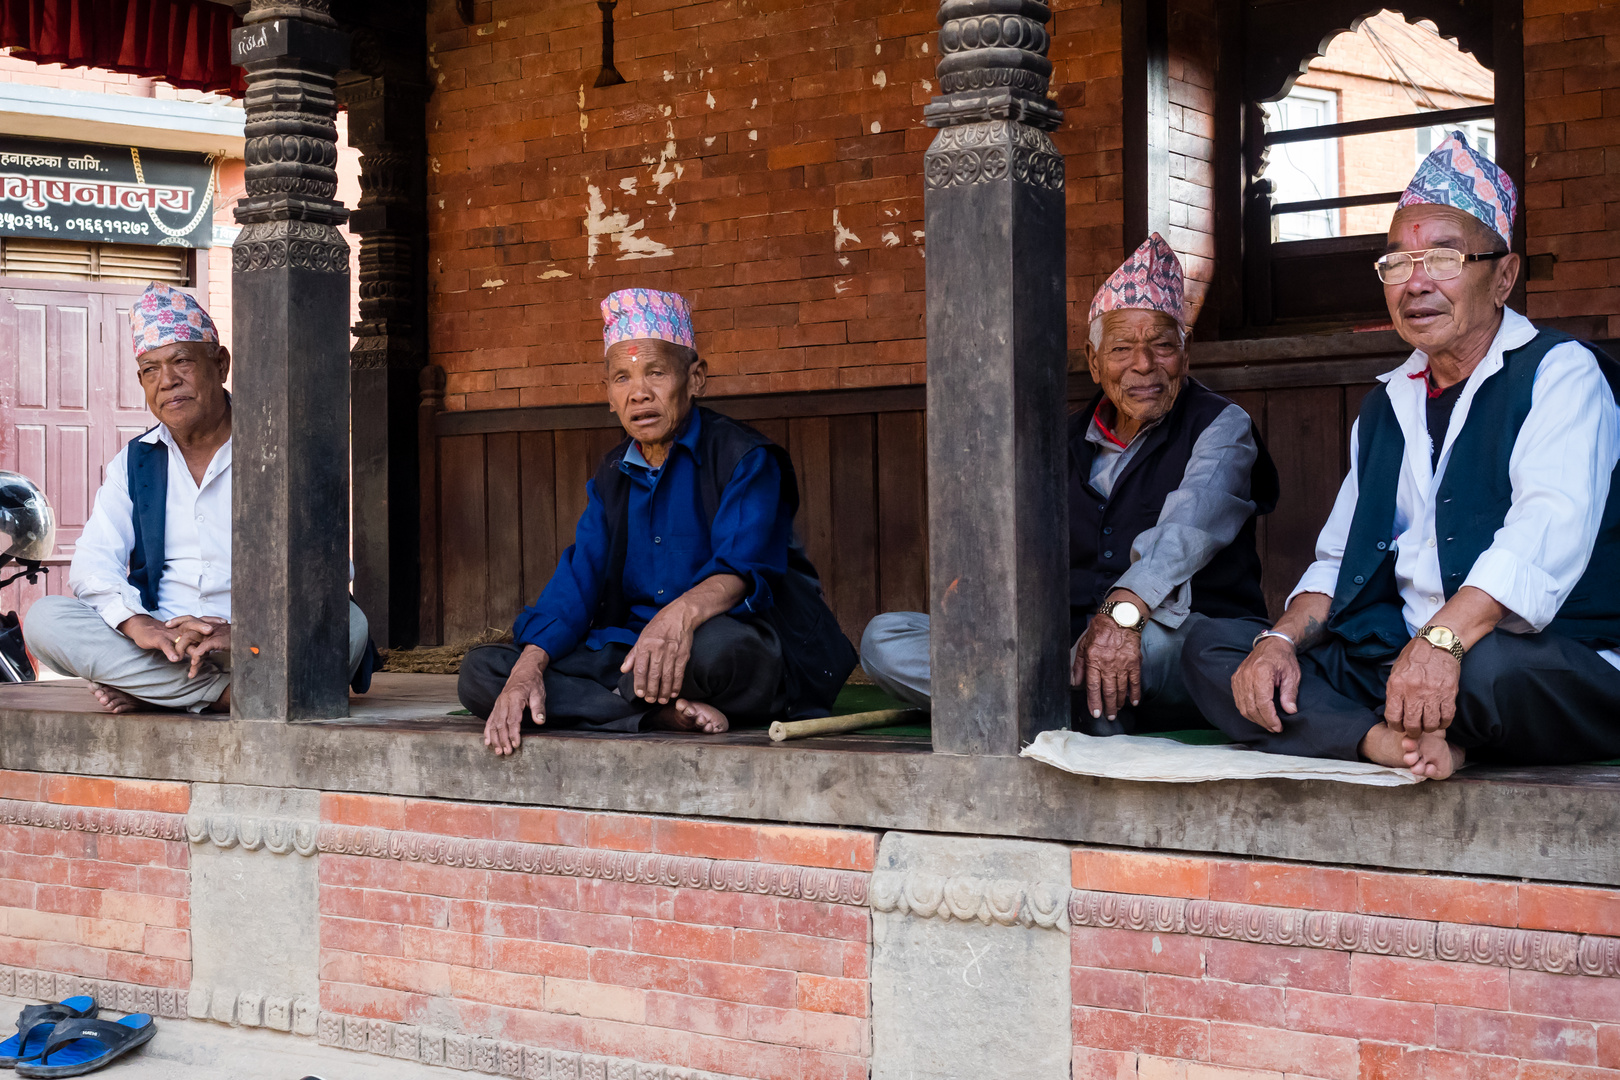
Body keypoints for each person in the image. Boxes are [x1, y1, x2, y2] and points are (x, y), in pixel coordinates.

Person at [1183, 131, 1620, 779]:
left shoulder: (1560, 373)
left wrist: (1442, 642)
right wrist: (1277, 642)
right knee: (1213, 647)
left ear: (1504, 275)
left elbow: (1542, 533)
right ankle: (1388, 740)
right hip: (1398, 657)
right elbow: (1338, 562)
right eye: (1396, 264)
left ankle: (1405, 723)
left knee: (1492, 671)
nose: (1415, 284)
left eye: (1442, 258)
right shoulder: (1387, 406)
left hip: (1534, 656)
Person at [861, 234, 1278, 732]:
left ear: (1184, 357)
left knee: (1150, 647)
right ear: (1094, 361)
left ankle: (1022, 696)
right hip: (1072, 643)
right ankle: (1071, 695)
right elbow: (1016, 541)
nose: (1143, 365)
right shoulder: (1064, 439)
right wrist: (976, 594)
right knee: (885, 638)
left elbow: (1187, 530)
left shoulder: (1219, 425)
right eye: (1123, 348)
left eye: (1162, 346)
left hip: (1176, 637)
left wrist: (1121, 619)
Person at [458, 288, 854, 754]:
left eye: (655, 372)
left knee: (719, 652)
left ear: (696, 379)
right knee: (483, 673)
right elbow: (578, 579)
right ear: (608, 395)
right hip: (633, 650)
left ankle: (608, 705)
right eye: (621, 378)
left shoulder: (745, 458)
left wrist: (676, 620)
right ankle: (655, 714)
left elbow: (742, 569)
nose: (639, 393)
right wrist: (528, 669)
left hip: (726, 642)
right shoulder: (611, 475)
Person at [23, 282, 373, 714]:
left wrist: (242, 631)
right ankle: (231, 696)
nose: (167, 381)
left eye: (182, 361)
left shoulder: (279, 448)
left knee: (349, 623)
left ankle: (156, 692)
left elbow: (328, 569)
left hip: (263, 641)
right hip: (166, 644)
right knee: (45, 620)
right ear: (142, 382)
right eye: (151, 369)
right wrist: (141, 626)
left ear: (220, 363)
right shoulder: (133, 464)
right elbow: (94, 565)